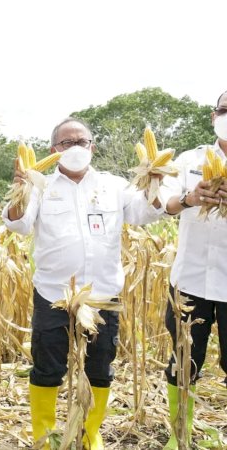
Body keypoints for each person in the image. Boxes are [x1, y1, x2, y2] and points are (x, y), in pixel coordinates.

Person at [2, 118, 166, 450]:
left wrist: (153, 183)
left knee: (99, 368)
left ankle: (91, 434)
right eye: (66, 143)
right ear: (53, 150)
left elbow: (146, 214)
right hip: (53, 294)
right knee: (47, 368)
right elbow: (17, 225)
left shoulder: (115, 185)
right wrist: (21, 188)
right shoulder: (40, 186)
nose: (75, 148)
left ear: (92, 147)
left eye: (82, 142)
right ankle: (43, 437)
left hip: (103, 294)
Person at [158, 91, 227, 450]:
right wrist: (191, 198)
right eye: (225, 109)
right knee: (184, 359)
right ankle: (179, 435)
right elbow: (165, 204)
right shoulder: (190, 159)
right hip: (190, 278)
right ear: (214, 114)